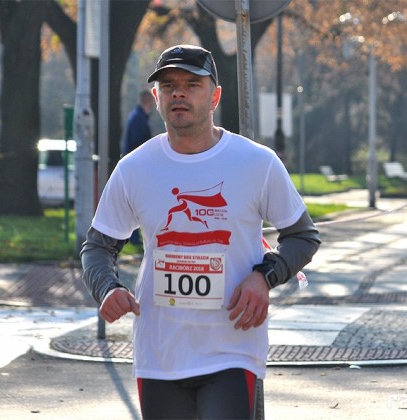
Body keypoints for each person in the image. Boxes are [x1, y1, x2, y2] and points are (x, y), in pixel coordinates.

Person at [80, 44, 320, 419]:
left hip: (233, 349)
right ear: (157, 97)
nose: (179, 93)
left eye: (192, 84)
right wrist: (107, 288)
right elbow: (97, 247)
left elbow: (303, 236)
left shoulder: (257, 163)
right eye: (169, 85)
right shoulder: (134, 168)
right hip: (160, 354)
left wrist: (264, 276)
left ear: (215, 97)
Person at [121, 89, 154, 244]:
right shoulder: (138, 119)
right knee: (136, 202)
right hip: (137, 168)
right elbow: (138, 143)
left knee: (135, 201)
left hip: (135, 166)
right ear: (148, 101)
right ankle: (133, 237)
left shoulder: (136, 117)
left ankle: (134, 236)